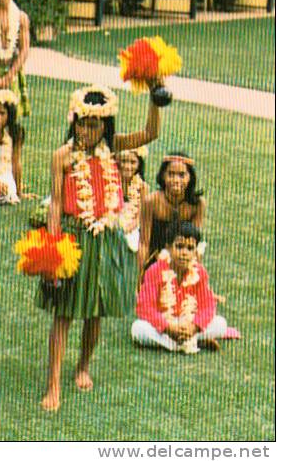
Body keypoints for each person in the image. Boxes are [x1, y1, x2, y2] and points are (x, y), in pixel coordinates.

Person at [37, 85, 161, 412]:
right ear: (74, 122)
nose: (88, 131)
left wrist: (154, 93)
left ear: (106, 126)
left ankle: (83, 366)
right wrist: (53, 250)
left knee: (95, 313)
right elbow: (55, 205)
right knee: (63, 313)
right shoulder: (62, 156)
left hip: (105, 239)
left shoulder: (114, 148)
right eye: (83, 123)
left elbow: (151, 132)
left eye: (96, 125)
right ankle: (53, 384)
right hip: (74, 238)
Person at [131, 222, 230, 353]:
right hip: (163, 324)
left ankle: (179, 342)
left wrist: (194, 327)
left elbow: (208, 305)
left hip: (189, 323)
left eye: (190, 248)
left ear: (196, 252)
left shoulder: (200, 272)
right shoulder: (155, 271)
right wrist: (167, 328)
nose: (184, 253)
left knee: (220, 324)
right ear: (168, 247)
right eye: (179, 246)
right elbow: (144, 307)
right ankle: (192, 342)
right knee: (138, 329)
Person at [139, 152, 205, 274]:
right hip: (154, 259)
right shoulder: (151, 201)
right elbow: (144, 243)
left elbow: (194, 243)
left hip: (182, 258)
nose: (176, 180)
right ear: (163, 176)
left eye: (181, 175)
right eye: (171, 174)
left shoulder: (197, 204)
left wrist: (193, 274)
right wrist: (141, 274)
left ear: (190, 177)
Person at [117, 147, 150, 252]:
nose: (127, 166)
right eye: (124, 161)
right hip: (112, 222)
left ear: (139, 164)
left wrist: (128, 228)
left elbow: (140, 215)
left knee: (131, 242)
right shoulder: (111, 181)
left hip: (132, 226)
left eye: (132, 162)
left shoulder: (142, 187)